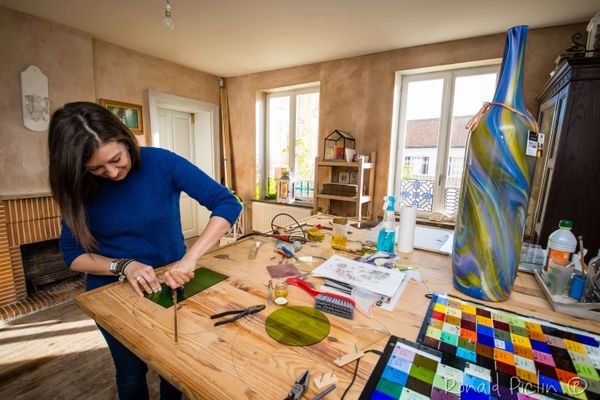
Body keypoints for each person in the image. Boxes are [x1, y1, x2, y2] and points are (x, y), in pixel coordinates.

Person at [48, 101, 242, 400]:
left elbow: (227, 203)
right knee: (130, 374)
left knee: (173, 368)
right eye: (97, 168)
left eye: (116, 159)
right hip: (113, 296)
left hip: (174, 284)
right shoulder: (77, 186)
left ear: (125, 140)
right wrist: (123, 265)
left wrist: (190, 258)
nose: (112, 173)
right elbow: (73, 256)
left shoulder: (162, 162)